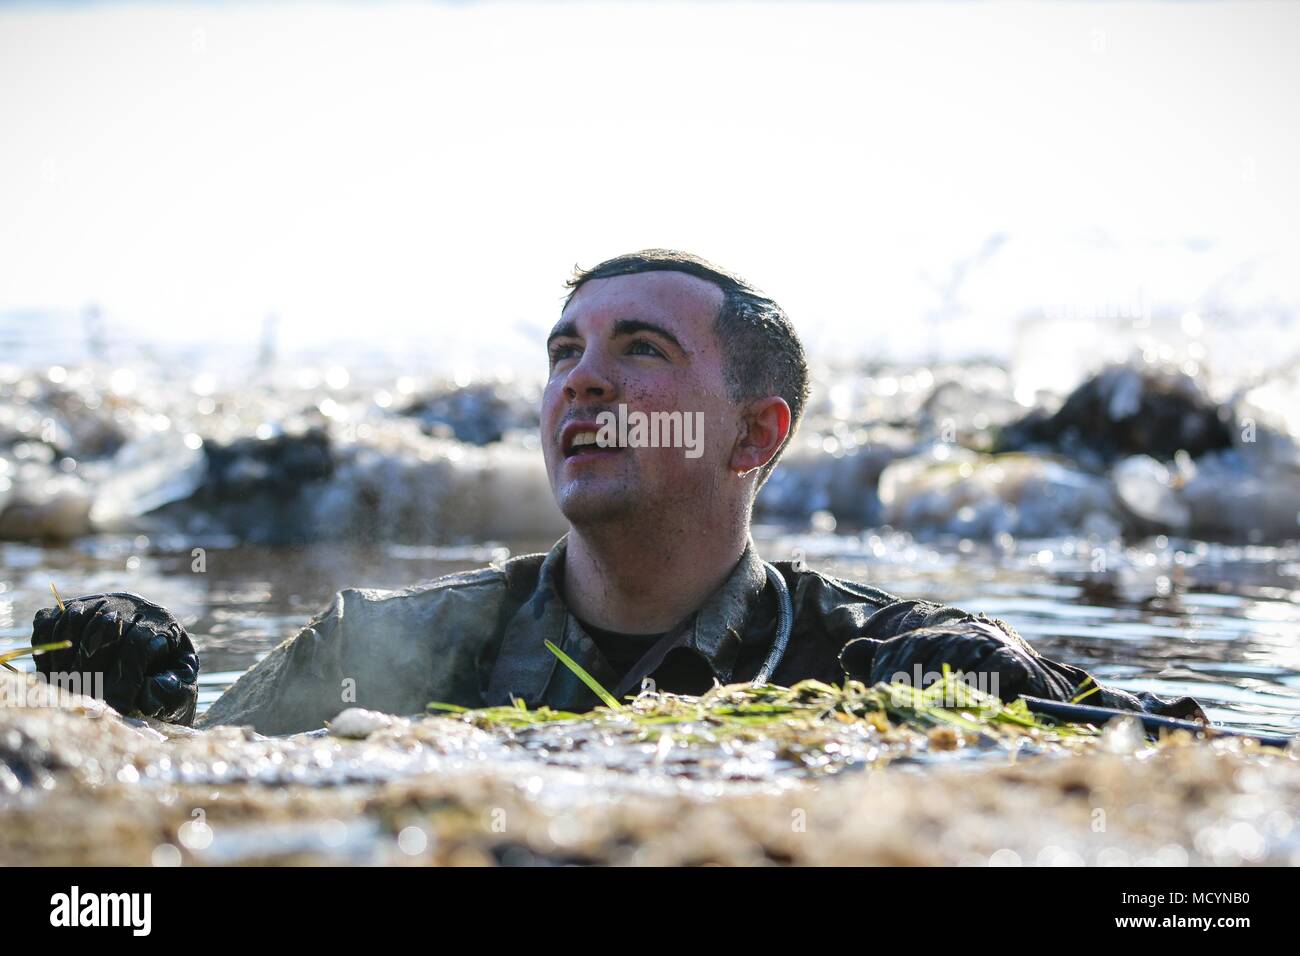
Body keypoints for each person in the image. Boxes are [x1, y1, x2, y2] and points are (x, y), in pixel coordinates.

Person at [30, 250, 1205, 735]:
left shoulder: (870, 662)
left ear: (756, 432)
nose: (581, 379)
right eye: (560, 355)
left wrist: (1034, 697)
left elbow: (1187, 767)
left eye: (639, 349)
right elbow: (180, 812)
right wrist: (117, 697)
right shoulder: (381, 644)